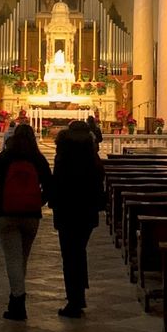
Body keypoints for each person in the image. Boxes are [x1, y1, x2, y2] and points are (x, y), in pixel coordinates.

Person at [0, 123, 53, 320]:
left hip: (8, 213)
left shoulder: (5, 156)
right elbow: (50, 185)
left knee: (14, 260)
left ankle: (18, 303)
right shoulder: (37, 158)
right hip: (31, 215)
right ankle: (15, 299)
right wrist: (39, 201)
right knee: (22, 259)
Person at [51, 120, 105, 317]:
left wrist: (52, 201)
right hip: (86, 212)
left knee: (70, 255)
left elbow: (57, 183)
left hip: (66, 211)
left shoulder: (63, 156)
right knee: (79, 252)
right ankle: (78, 295)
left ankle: (74, 300)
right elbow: (99, 182)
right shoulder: (92, 157)